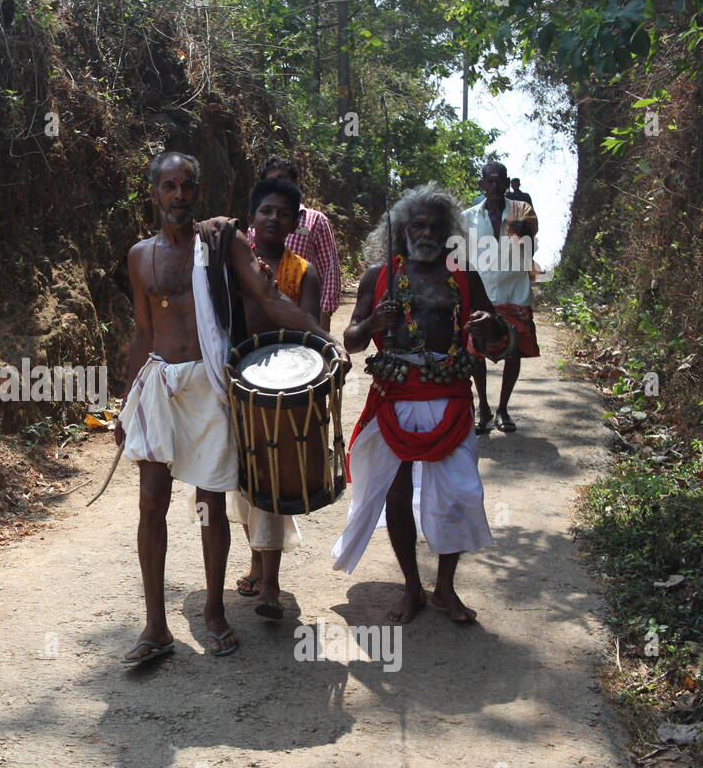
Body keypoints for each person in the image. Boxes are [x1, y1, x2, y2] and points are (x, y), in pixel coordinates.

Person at [116, 151, 344, 665]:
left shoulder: (220, 243)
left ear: (199, 191)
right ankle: (156, 627)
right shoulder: (139, 255)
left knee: (210, 502)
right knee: (150, 500)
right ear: (154, 193)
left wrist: (326, 340)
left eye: (187, 186)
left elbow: (270, 298)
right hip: (158, 381)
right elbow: (143, 332)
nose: (178, 195)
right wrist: (127, 400)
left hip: (207, 381)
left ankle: (215, 613)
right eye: (169, 186)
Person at [332, 182, 508, 624]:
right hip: (395, 394)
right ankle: (412, 587)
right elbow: (351, 341)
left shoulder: (463, 275)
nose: (425, 233)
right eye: (417, 225)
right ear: (401, 230)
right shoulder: (380, 275)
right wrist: (375, 319)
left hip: (449, 394)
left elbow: (499, 343)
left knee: (460, 493)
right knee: (396, 489)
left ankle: (445, 588)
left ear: (448, 231)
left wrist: (490, 324)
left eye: (434, 225)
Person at [231, 177, 321, 620]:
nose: (273, 218)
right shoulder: (230, 265)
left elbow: (307, 327)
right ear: (251, 218)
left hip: (284, 390)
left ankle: (271, 585)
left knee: (272, 478)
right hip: (235, 382)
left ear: (294, 224)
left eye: (283, 213)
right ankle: (255, 561)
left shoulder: (304, 271)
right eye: (265, 210)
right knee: (242, 481)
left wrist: (271, 291)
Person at [462, 162, 539, 434]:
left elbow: (532, 242)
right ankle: (482, 406)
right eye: (489, 182)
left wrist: (521, 229)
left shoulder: (522, 211)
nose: (494, 187)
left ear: (506, 184)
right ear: (482, 184)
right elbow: (460, 258)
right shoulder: (466, 218)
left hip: (514, 290)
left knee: (514, 350)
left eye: (499, 182)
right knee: (475, 353)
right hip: (480, 294)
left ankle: (503, 407)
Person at [252, 156, 342, 331]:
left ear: (295, 182)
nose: (278, 186)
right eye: (271, 181)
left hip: (304, 307)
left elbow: (329, 268)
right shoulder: (256, 222)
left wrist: (325, 313)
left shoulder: (315, 220)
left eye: (282, 179)